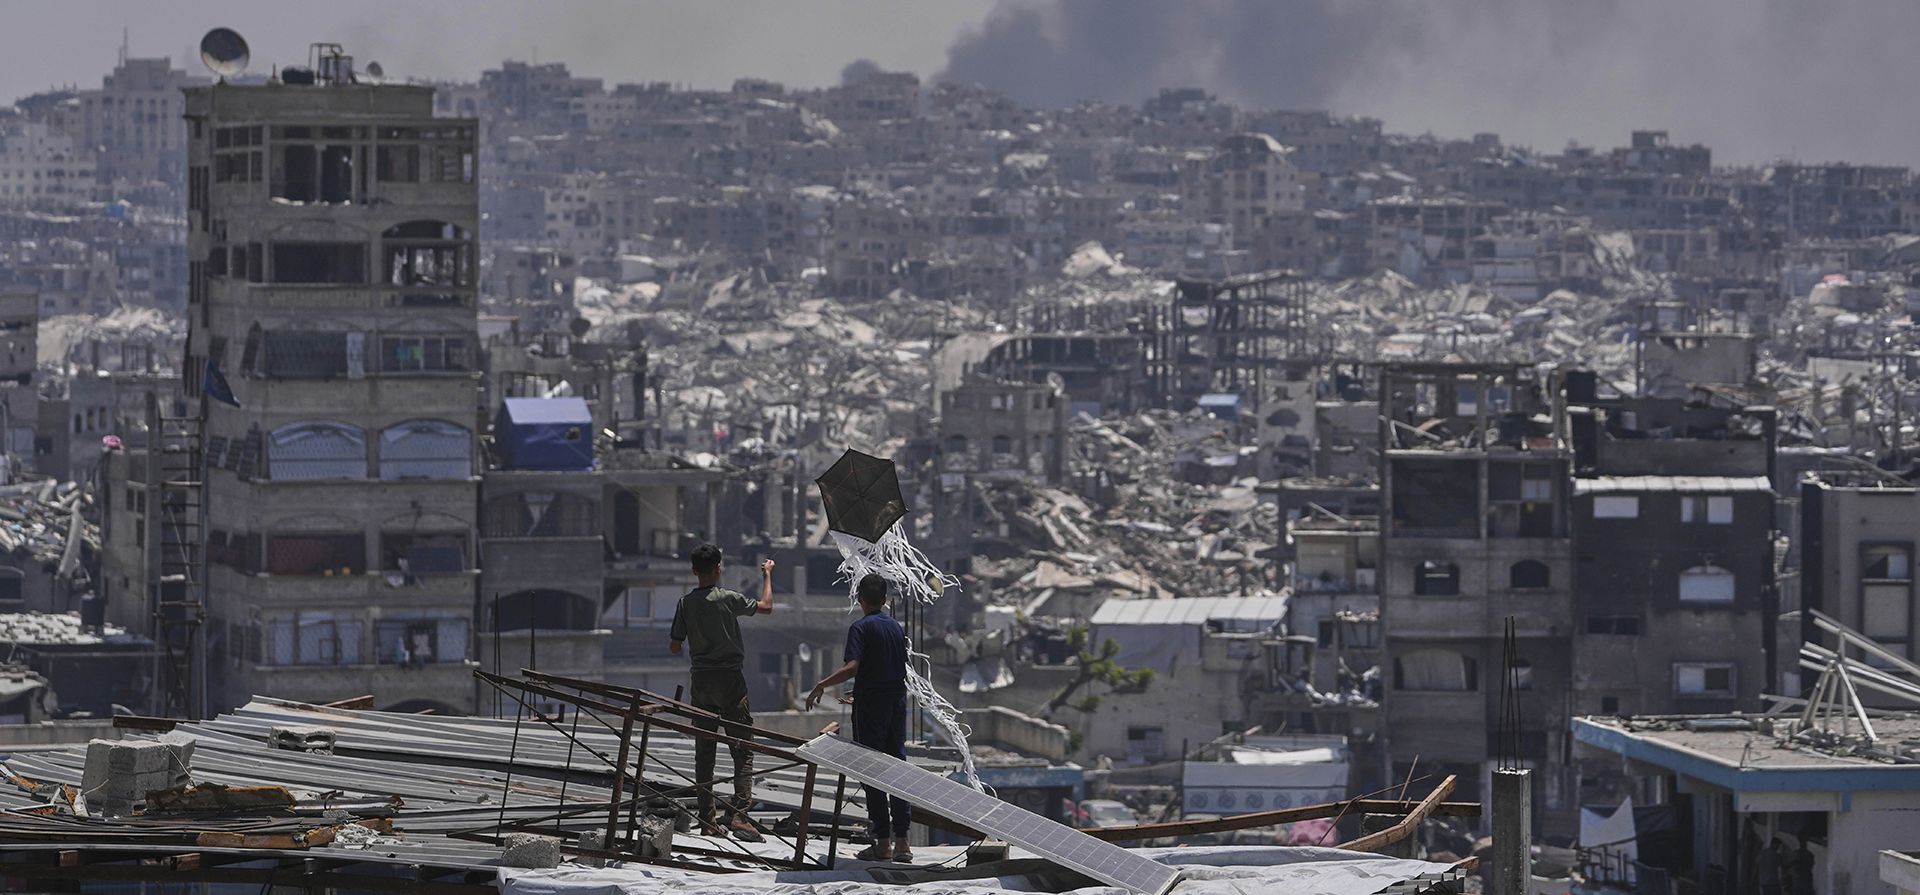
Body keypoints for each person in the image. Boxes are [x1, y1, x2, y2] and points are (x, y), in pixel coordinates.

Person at [806, 573, 913, 863]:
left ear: (860, 600)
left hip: (872, 708)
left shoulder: (860, 628)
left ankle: (882, 843)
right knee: (896, 765)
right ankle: (902, 842)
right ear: (886, 600)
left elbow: (853, 666)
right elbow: (890, 670)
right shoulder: (895, 627)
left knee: (872, 770)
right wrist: (862, 690)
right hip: (896, 704)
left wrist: (821, 685)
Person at [669, 544, 774, 842]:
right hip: (730, 680)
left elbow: (675, 646)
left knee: (705, 752)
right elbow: (766, 607)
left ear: (693, 571)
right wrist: (767, 575)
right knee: (742, 749)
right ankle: (740, 816)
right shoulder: (727, 598)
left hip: (701, 681)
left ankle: (707, 821)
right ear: (718, 568)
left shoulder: (684, 603)